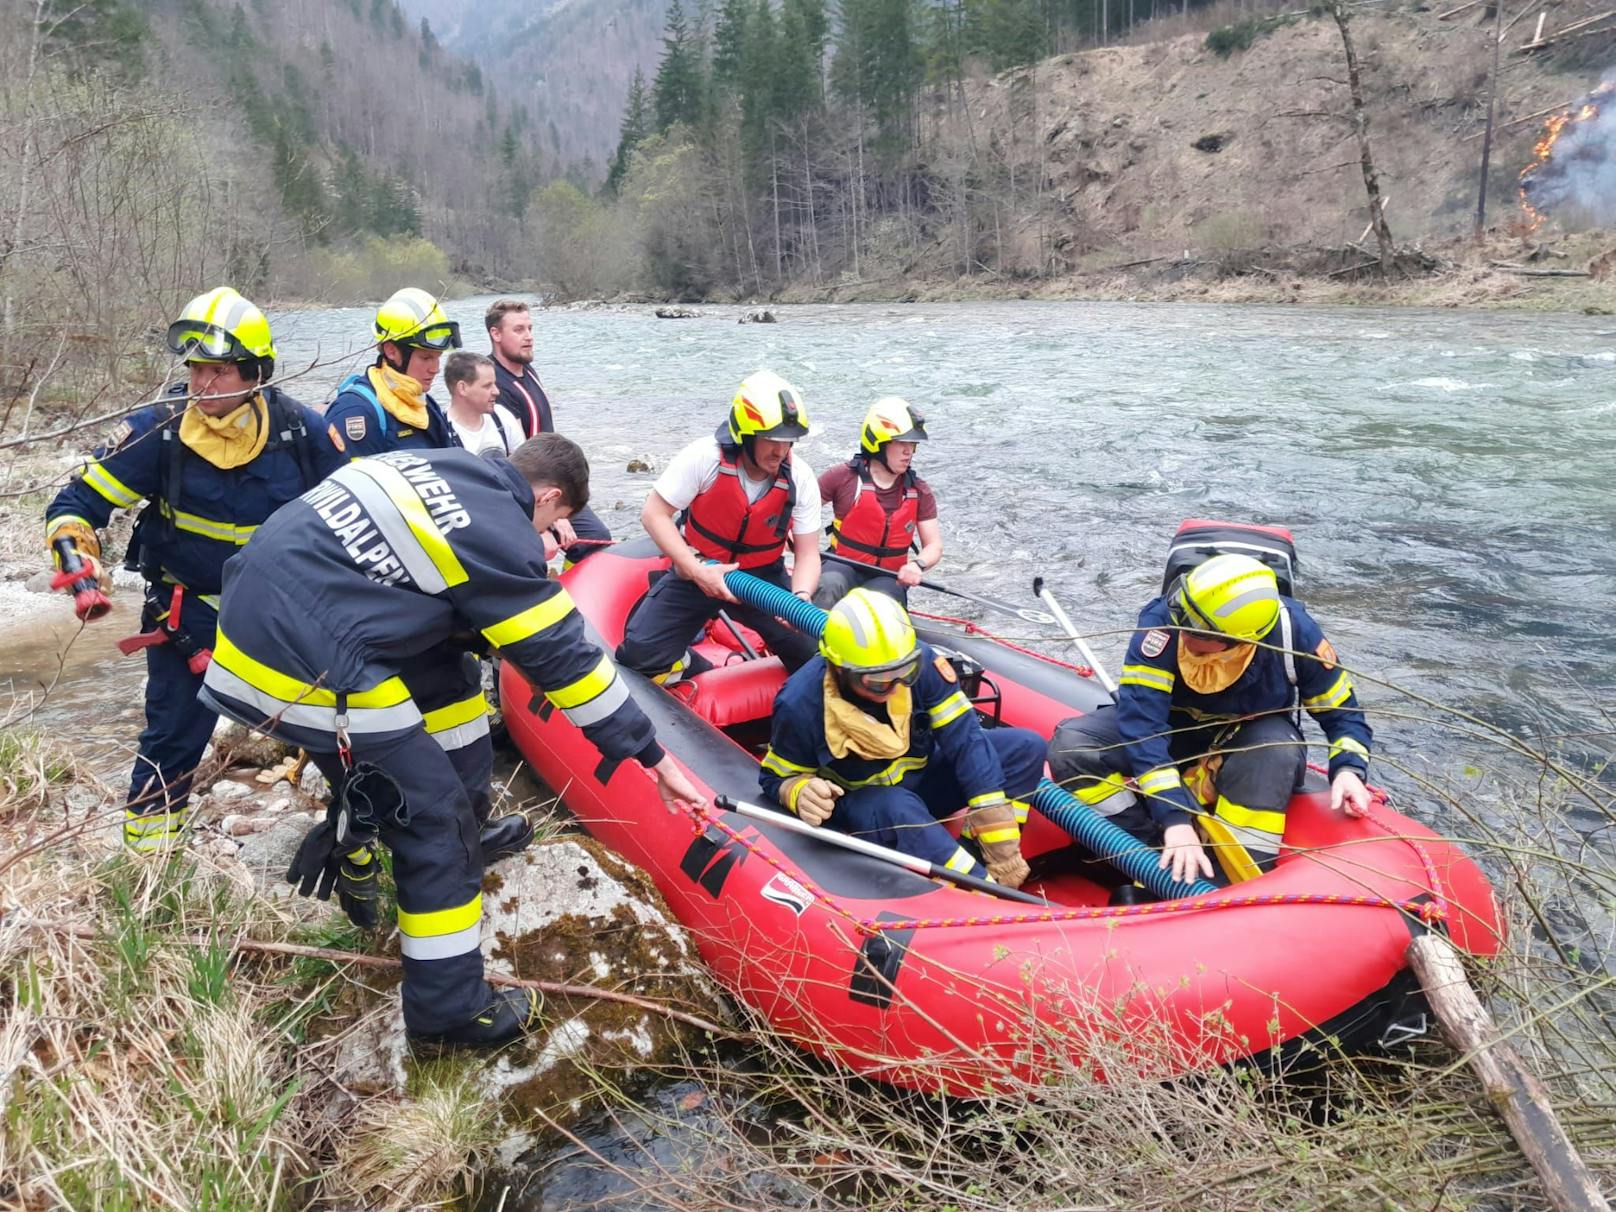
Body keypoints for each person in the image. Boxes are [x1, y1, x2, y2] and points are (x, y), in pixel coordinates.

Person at [198, 435, 705, 1049]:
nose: (549, 537)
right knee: (432, 823)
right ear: (546, 498)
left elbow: (424, 596)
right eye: (555, 523)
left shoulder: (442, 464)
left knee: (454, 684)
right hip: (306, 665)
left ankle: (461, 827)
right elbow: (563, 660)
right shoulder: (498, 529)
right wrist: (649, 754)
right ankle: (448, 1014)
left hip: (271, 618)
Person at [44, 286, 341, 851]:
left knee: (335, 732)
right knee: (172, 744)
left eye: (220, 371)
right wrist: (78, 563)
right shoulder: (158, 431)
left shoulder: (301, 432)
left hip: (283, 618)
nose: (203, 385)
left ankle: (359, 844)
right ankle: (150, 870)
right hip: (187, 620)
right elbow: (73, 506)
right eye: (197, 369)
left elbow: (356, 513)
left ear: (256, 372)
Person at [1048, 553, 1373, 889]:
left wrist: (1349, 769)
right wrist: (1174, 819)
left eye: (1196, 630)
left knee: (1278, 750)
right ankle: (1148, 856)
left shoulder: (1295, 636)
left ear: (1242, 640)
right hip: (1173, 733)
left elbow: (1343, 717)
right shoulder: (1162, 624)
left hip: (1251, 741)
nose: (1181, 629)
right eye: (1181, 614)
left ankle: (1230, 881)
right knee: (1073, 746)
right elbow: (1143, 728)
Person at [758, 589, 1045, 888]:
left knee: (1026, 747)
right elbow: (774, 778)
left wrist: (1001, 842)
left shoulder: (923, 666)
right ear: (840, 669)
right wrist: (800, 791)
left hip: (922, 785)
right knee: (899, 806)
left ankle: (976, 854)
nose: (895, 687)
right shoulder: (801, 703)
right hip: (867, 806)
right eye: (879, 681)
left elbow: (967, 740)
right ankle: (977, 891)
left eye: (905, 672)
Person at [616, 371, 822, 684]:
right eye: (771, 440)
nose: (781, 451)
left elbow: (807, 553)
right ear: (745, 434)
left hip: (762, 578)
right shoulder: (704, 458)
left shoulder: (800, 477)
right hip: (697, 567)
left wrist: (801, 597)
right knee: (638, 654)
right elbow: (654, 514)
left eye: (787, 441)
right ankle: (690, 664)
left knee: (815, 656)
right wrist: (694, 570)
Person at [485, 297, 611, 562]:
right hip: (533, 491)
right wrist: (554, 518)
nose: (528, 337)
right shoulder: (495, 386)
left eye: (530, 328)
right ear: (495, 334)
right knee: (590, 542)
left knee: (598, 538)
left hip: (555, 482)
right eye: (518, 330)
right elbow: (513, 459)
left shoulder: (527, 370)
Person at [814, 397, 943, 609]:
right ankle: (811, 637)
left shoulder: (919, 491)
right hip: (842, 565)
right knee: (830, 584)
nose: (908, 451)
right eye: (901, 442)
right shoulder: (843, 477)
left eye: (912, 444)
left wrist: (917, 565)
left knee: (883, 604)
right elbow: (798, 510)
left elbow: (934, 545)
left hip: (887, 577)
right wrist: (793, 536)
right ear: (878, 443)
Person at [324, 287, 461, 459]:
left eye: (438, 357)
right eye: (426, 358)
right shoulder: (356, 412)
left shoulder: (425, 403)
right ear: (391, 351)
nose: (435, 368)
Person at [443, 350, 525, 456]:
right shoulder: (443, 431)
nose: (496, 391)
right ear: (462, 388)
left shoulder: (502, 416)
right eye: (487, 386)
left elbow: (523, 465)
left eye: (495, 384)